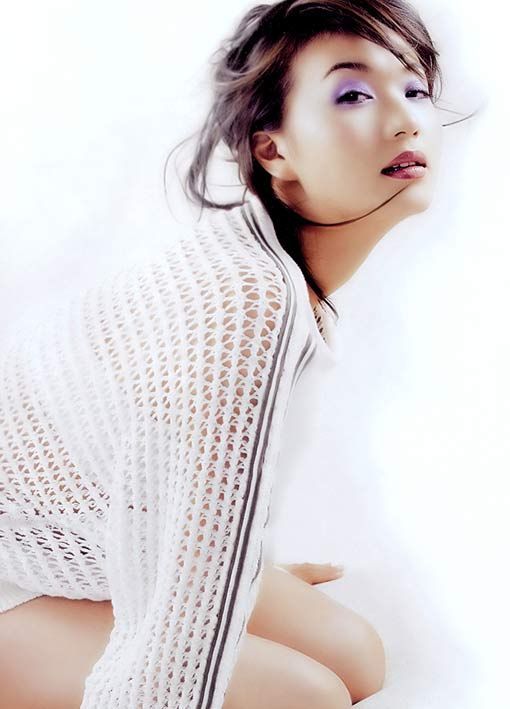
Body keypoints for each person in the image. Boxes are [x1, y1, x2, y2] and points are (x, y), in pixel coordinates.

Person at [0, 1, 477, 708]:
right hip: (17, 568)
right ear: (273, 151)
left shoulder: (273, 272)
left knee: (359, 656)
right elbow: (169, 669)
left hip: (101, 541)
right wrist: (212, 594)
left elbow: (170, 474)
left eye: (414, 89)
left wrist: (237, 566)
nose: (407, 120)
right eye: (353, 94)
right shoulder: (249, 301)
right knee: (310, 697)